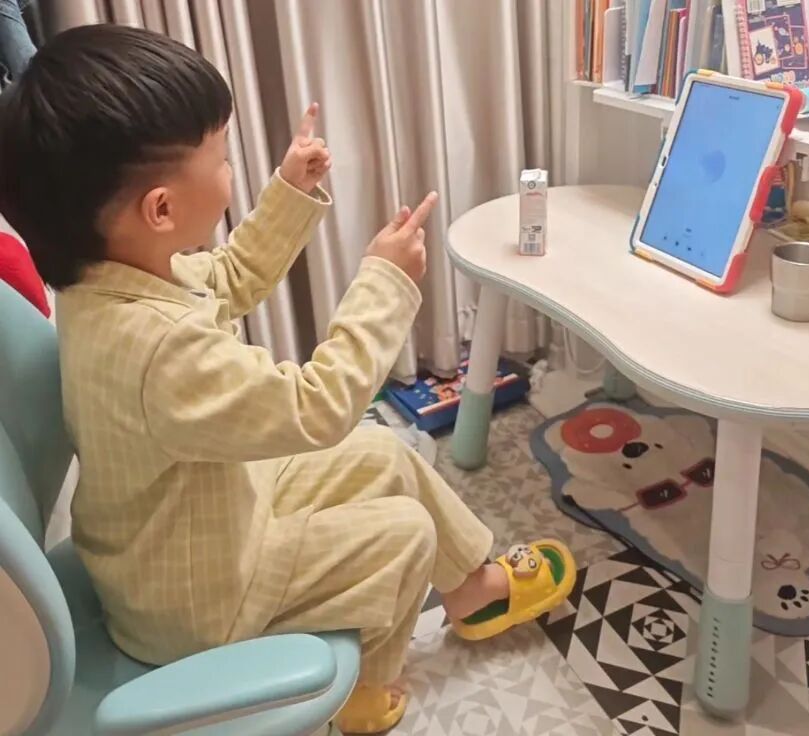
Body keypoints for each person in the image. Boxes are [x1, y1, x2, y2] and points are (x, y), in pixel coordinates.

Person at [0, 24, 577, 733]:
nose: (229, 169)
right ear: (161, 209)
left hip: (188, 532)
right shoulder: (159, 350)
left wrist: (288, 192)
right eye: (221, 157)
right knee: (402, 535)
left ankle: (470, 589)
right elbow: (318, 406)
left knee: (383, 454)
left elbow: (228, 277)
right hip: (196, 601)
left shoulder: (109, 281)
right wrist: (385, 283)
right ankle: (367, 692)